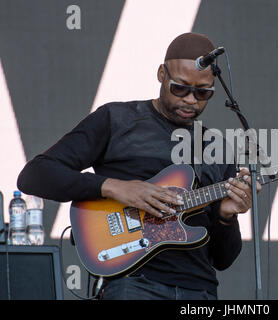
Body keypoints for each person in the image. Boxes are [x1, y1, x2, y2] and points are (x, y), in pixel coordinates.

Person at [17, 32, 261, 300]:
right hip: (133, 284)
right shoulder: (117, 119)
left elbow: (223, 259)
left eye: (202, 92)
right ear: (161, 75)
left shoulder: (217, 147)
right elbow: (34, 175)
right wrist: (115, 188)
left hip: (200, 290)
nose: (191, 100)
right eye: (180, 88)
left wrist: (227, 217)